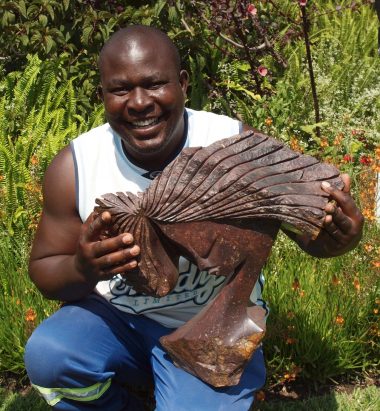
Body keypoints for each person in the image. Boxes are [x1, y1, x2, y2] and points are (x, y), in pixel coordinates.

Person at [24, 25, 364, 411]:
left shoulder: (231, 142)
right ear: (101, 96)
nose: (139, 102)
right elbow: (45, 270)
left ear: (183, 84)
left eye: (155, 84)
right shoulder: (77, 166)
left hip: (216, 326)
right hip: (118, 320)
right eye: (120, 90)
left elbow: (308, 229)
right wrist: (84, 267)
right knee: (50, 355)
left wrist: (341, 235)